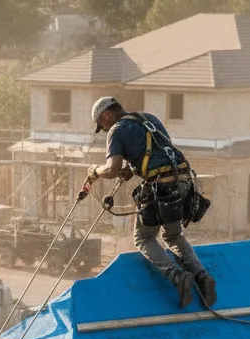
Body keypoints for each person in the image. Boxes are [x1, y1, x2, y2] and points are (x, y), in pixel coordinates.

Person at [82, 97, 216, 309]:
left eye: (102, 124)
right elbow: (159, 154)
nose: (104, 128)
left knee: (143, 237)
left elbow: (112, 167)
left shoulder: (116, 130)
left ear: (106, 115)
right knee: (173, 235)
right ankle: (202, 276)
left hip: (161, 187)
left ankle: (178, 278)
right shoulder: (148, 119)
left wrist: (95, 172)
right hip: (183, 183)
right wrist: (133, 169)